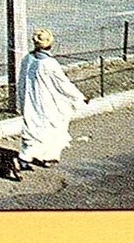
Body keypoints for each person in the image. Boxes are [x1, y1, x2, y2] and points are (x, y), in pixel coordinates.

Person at [12, 29, 89, 177]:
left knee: (34, 130)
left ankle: (42, 157)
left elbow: (21, 81)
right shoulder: (50, 63)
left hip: (30, 101)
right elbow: (63, 84)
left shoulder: (28, 58)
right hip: (46, 103)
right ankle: (23, 159)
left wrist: (21, 101)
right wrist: (79, 97)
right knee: (52, 127)